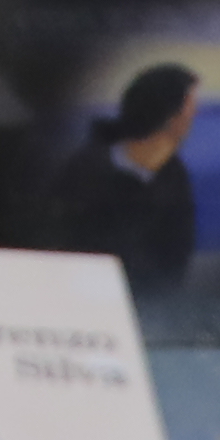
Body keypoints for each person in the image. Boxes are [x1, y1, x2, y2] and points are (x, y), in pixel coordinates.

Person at [28, 62, 203, 295]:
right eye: (190, 106)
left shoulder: (174, 178)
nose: (194, 115)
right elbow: (57, 240)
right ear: (170, 115)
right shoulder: (87, 169)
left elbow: (175, 257)